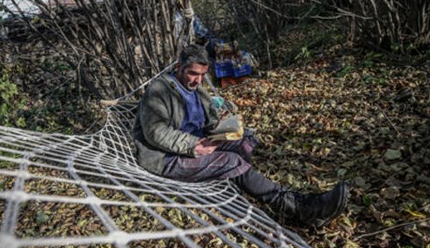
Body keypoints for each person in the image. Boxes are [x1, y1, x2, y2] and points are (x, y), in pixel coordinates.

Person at [132, 43, 349, 227]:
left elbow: (207, 116)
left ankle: (243, 185)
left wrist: (223, 120)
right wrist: (193, 145)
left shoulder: (196, 90)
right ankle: (299, 209)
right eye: (192, 73)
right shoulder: (159, 90)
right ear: (179, 67)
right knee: (232, 160)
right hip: (167, 158)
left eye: (202, 75)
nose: (198, 80)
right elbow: (155, 132)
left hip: (197, 143)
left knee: (245, 141)